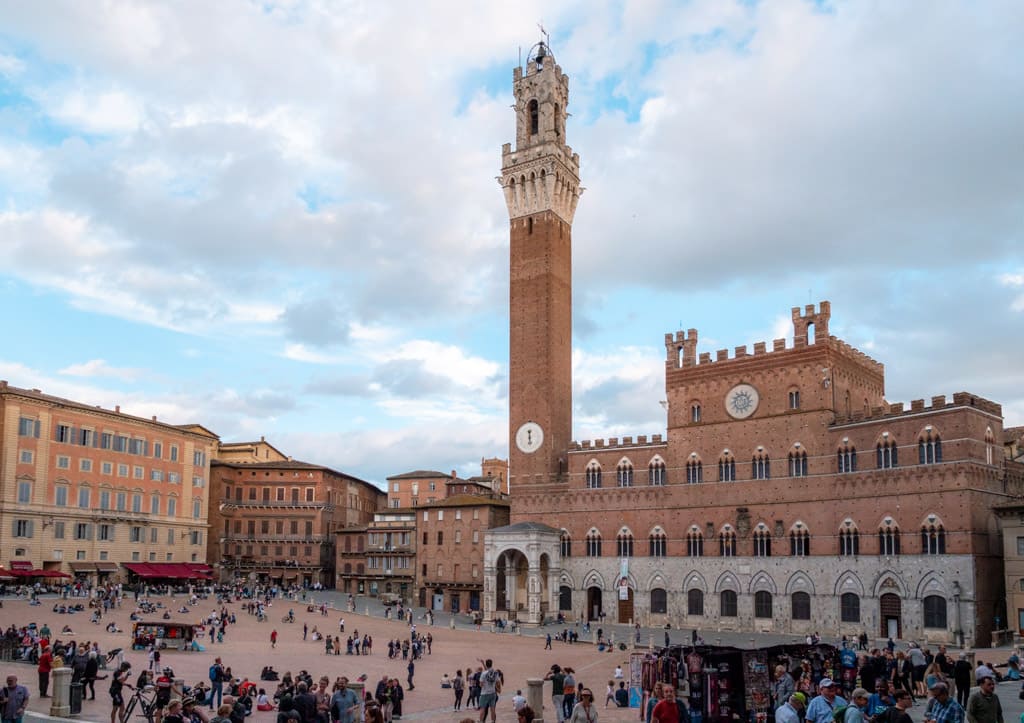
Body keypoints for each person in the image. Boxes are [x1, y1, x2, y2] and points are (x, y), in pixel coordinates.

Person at [478, 658, 501, 723]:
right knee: (492, 708)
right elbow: (498, 682)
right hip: (493, 693)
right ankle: (493, 721)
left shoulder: (483, 673)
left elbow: (481, 684)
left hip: (484, 693)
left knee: (482, 709)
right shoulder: (495, 673)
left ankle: (481, 721)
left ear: (486, 664)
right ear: (491, 664)